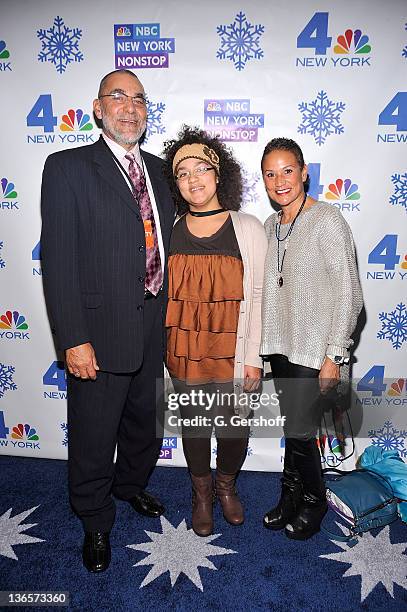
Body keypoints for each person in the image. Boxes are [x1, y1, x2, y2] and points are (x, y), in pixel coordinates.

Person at [40, 69, 174, 572]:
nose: (130, 107)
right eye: (118, 96)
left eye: (139, 99)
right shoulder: (67, 167)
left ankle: (130, 487)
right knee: (95, 433)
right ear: (97, 108)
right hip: (97, 331)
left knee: (144, 426)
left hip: (153, 325)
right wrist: (73, 338)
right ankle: (95, 519)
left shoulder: (162, 172)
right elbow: (58, 260)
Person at [162, 126, 267, 536]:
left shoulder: (247, 227)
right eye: (182, 172)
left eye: (201, 168)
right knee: (194, 426)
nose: (193, 179)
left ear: (219, 174)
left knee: (234, 428)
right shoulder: (168, 229)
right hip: (185, 349)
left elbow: (259, 296)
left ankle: (226, 486)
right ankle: (201, 494)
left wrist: (253, 357)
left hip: (232, 350)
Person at [260, 137, 363, 540]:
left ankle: (314, 500)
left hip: (316, 350)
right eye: (270, 173)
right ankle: (291, 494)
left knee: (301, 433)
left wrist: (335, 355)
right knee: (294, 429)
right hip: (283, 347)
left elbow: (349, 294)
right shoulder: (271, 226)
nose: (279, 180)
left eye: (288, 170)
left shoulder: (328, 220)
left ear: (304, 173)